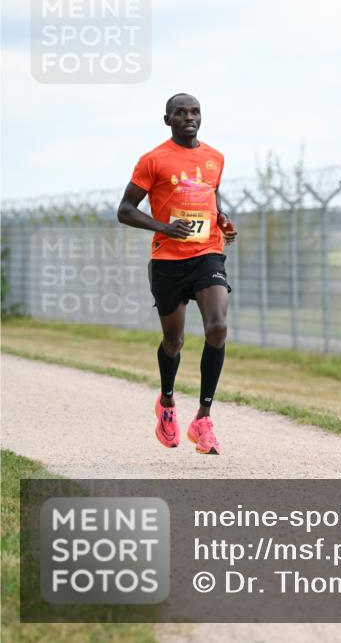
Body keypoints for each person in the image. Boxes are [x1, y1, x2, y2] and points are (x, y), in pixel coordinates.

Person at [117, 93, 238, 455]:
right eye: (180, 113)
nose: (189, 117)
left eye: (195, 111)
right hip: (168, 260)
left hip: (207, 254)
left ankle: (203, 419)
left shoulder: (215, 158)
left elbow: (212, 201)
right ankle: (167, 403)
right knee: (175, 341)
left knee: (217, 327)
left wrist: (224, 222)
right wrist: (165, 228)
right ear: (167, 119)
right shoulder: (153, 160)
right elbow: (125, 210)